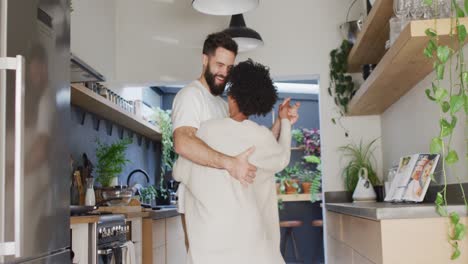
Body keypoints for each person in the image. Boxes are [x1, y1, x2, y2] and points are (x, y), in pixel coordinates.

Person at [171, 32, 300, 249]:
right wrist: (230, 163)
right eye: (219, 65)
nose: (224, 73)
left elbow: (250, 146)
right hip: (198, 204)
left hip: (220, 205)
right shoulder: (191, 96)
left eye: (229, 68)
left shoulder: (221, 104)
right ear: (205, 59)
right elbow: (183, 143)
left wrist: (281, 121)